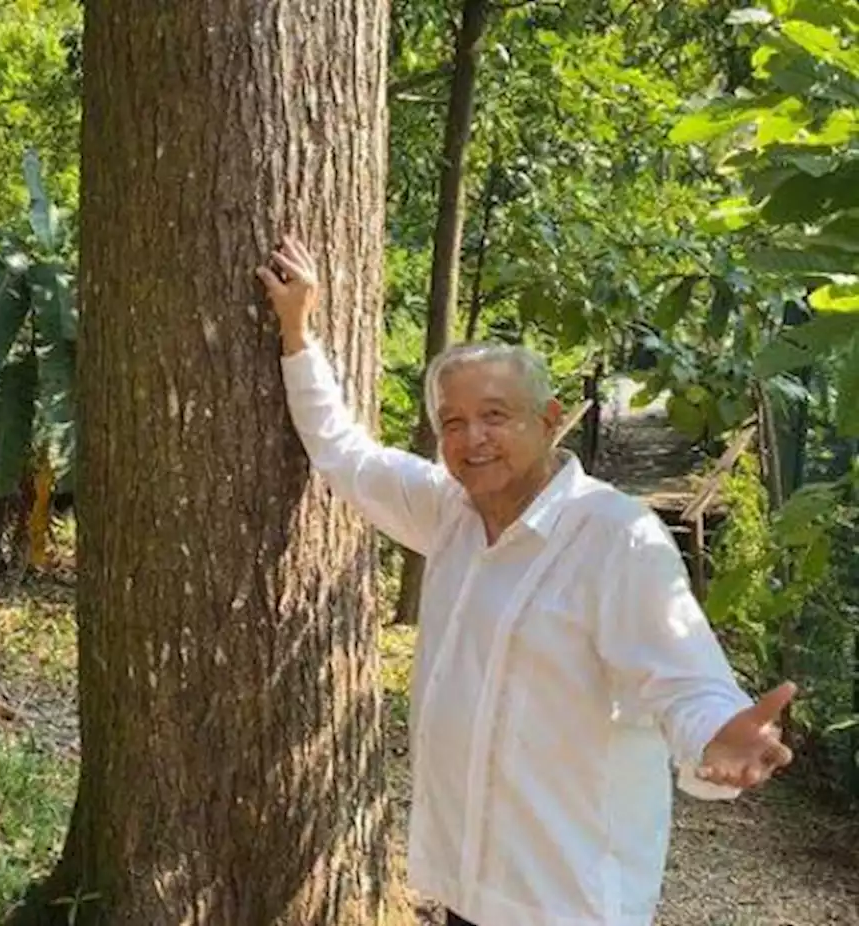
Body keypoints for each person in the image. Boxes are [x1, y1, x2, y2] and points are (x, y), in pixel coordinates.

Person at [256, 237, 796, 926]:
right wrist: (298, 332)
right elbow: (344, 453)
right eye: (452, 422)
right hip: (471, 886)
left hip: (565, 900)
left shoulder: (615, 536)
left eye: (494, 416)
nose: (472, 438)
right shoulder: (450, 513)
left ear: (549, 420)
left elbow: (683, 678)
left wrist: (719, 736)